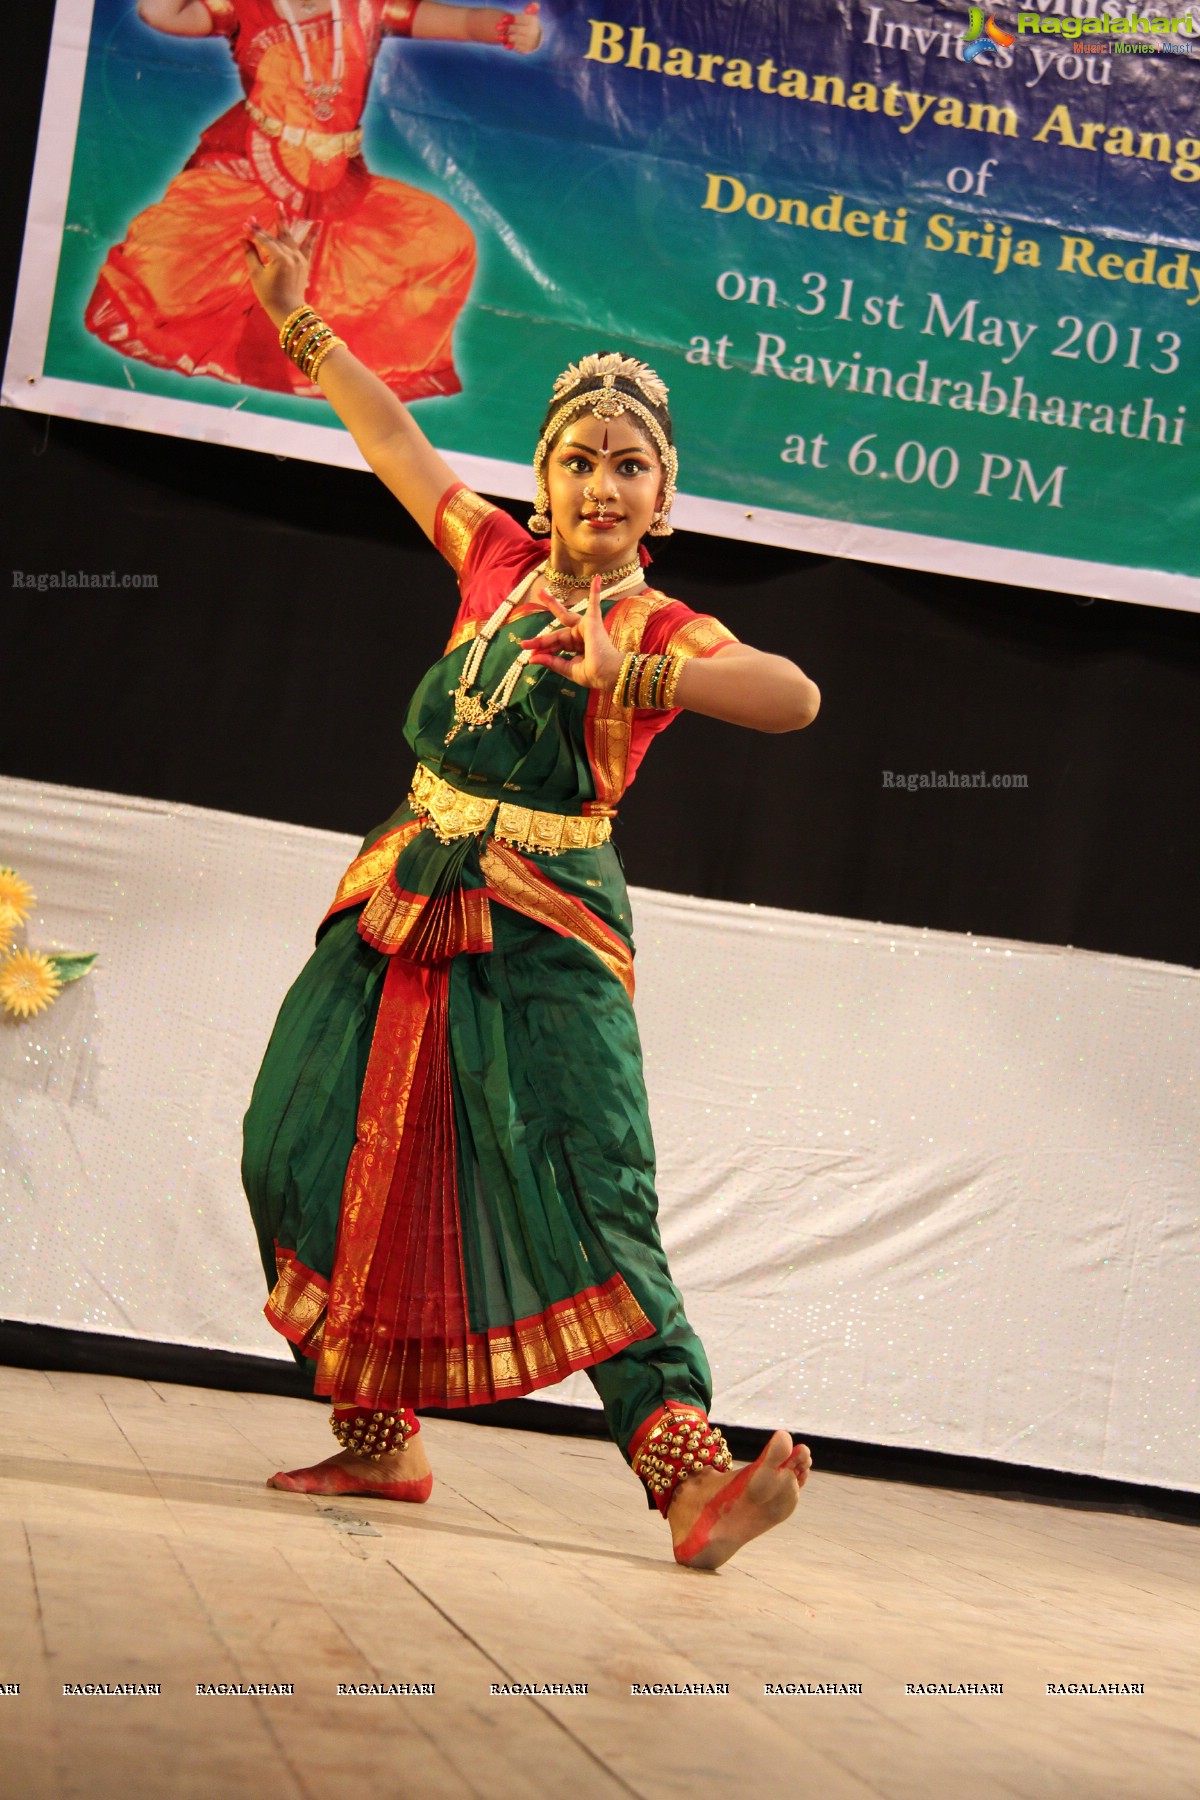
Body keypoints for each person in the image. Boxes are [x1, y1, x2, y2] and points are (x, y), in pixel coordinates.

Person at [238, 212, 822, 1571]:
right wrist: (300, 322)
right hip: (401, 886)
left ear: (662, 502)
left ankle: (689, 1475)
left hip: (546, 921)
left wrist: (646, 675)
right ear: (543, 481)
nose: (600, 483)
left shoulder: (659, 623)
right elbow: (396, 444)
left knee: (588, 1180)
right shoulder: (496, 563)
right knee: (300, 1143)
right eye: (576, 460)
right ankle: (378, 1439)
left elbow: (795, 697)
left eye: (630, 466)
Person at [86, 0, 542, 397]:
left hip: (337, 182)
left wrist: (511, 29)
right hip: (245, 171)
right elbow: (159, 12)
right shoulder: (248, 5)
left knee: (444, 240)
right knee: (160, 274)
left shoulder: (372, 7)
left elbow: (464, 23)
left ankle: (318, 358)